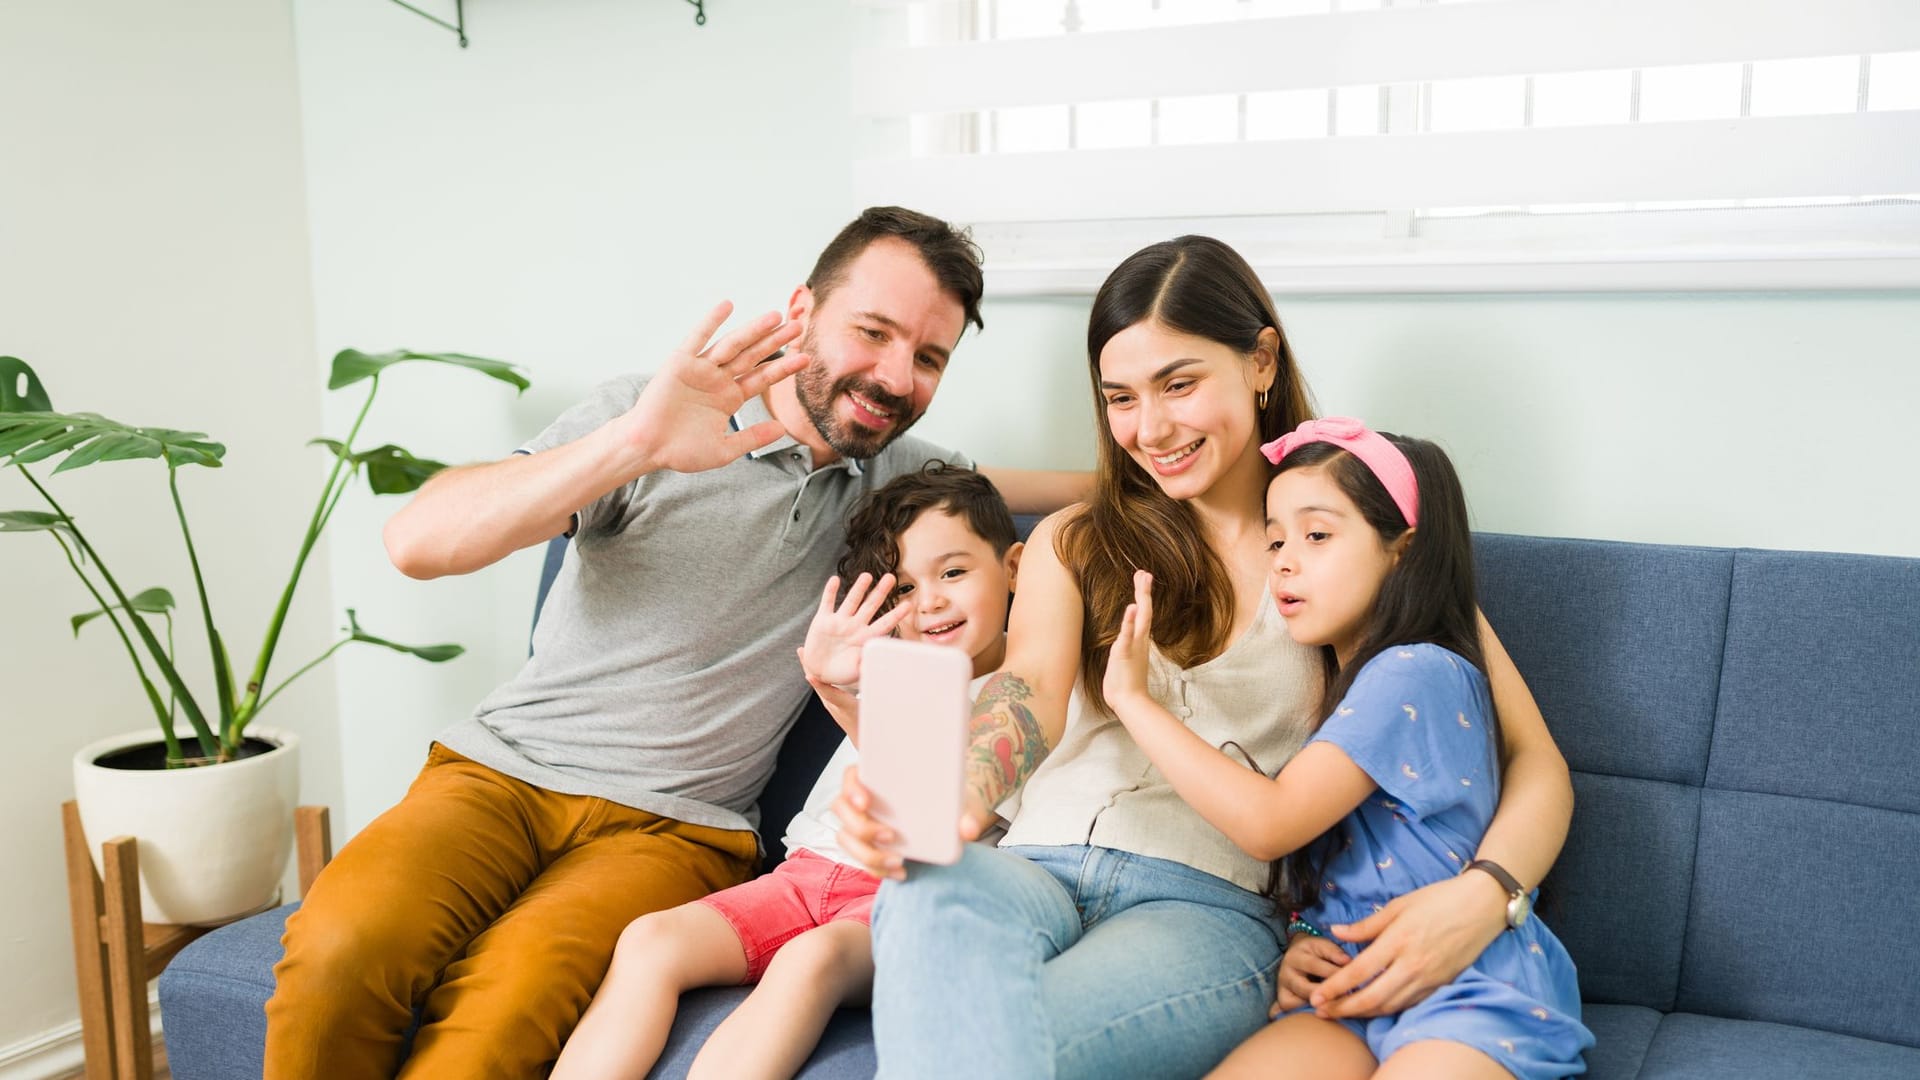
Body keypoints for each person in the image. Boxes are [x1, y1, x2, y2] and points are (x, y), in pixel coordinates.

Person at [263, 207, 1083, 1078]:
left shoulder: (904, 482)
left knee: (508, 1001)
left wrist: (1213, 466)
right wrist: (635, 444)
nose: (892, 377)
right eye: (872, 333)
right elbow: (418, 543)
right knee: (340, 948)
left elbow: (1067, 494)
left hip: (678, 830)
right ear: (801, 311)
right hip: (497, 773)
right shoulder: (647, 419)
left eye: (928, 358)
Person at [834, 236, 1576, 1079]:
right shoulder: (1078, 540)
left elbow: (1534, 761)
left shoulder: (1342, 546)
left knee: (1002, 1042)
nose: (1151, 428)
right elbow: (1031, 689)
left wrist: (1488, 894)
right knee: (922, 895)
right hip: (1031, 865)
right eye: (1120, 397)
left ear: (1261, 361)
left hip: (1203, 905)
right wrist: (961, 790)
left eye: (1179, 384)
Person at [1103, 417, 1593, 1079]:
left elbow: (1271, 822)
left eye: (1317, 535)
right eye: (1274, 539)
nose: (1284, 560)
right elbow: (1351, 866)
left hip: (1468, 988)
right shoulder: (1341, 685)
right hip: (1351, 987)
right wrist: (1305, 937)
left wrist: (1134, 700)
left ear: (1403, 552)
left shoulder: (1414, 669)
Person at [552, 464, 1024, 1080]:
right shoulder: (889, 664)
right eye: (903, 589)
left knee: (809, 959)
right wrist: (835, 677)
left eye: (953, 573)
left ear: (1013, 566)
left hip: (905, 901)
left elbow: (939, 808)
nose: (929, 601)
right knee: (650, 940)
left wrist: (838, 696)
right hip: (801, 878)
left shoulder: (1028, 694)